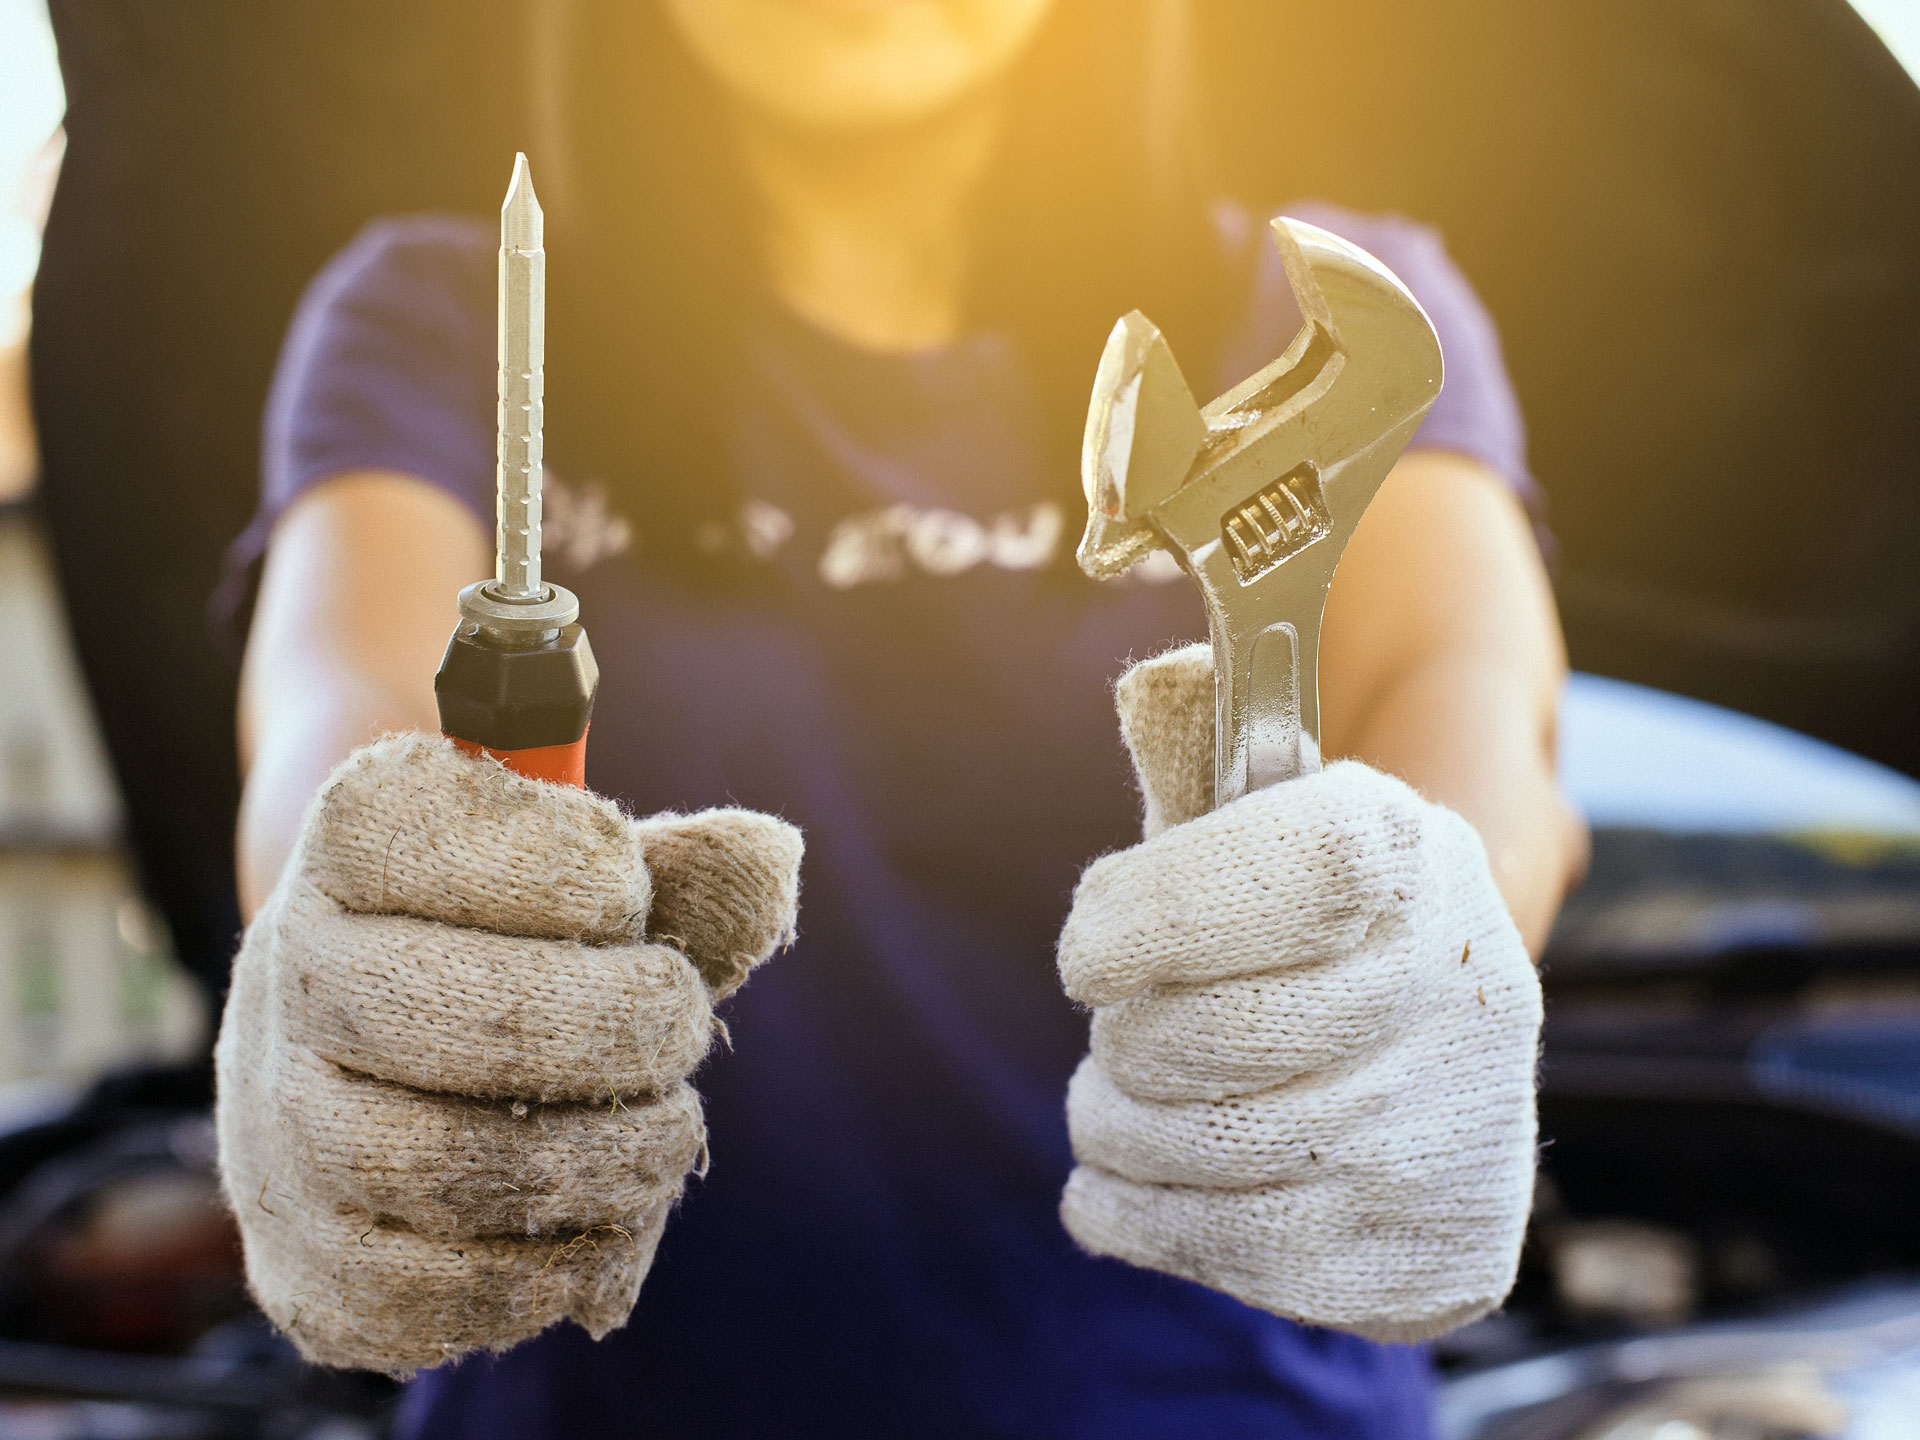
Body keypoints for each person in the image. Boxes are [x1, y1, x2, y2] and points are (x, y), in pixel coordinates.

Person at [216, 1, 1585, 1435]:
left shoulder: (1312, 314)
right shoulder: (451, 324)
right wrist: (348, 937)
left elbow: (1472, 709)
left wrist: (1435, 928)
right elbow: (337, 720)